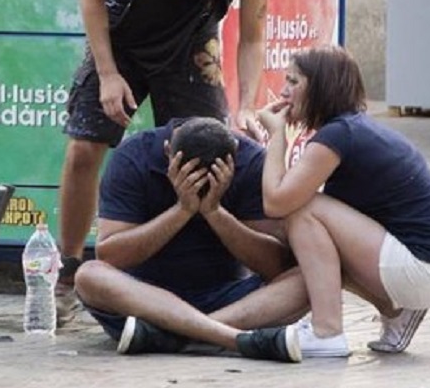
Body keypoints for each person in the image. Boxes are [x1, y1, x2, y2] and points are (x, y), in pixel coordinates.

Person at [57, 0, 273, 324]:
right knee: (84, 149)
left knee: (207, 148)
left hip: (192, 42)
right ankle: (68, 271)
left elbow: (254, 33)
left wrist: (248, 104)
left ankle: (205, 273)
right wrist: (109, 75)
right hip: (124, 33)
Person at [256, 47, 430, 358]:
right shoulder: (350, 129)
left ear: (320, 87)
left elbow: (277, 202)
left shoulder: (339, 135)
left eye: (293, 81)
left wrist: (277, 137)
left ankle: (326, 332)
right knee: (311, 240)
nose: (284, 92)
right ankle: (396, 313)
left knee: (303, 210)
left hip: (424, 268)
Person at [73, 117, 308, 363]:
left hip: (228, 301)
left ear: (233, 156)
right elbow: (110, 255)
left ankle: (176, 337)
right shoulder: (133, 156)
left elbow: (276, 266)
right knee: (89, 275)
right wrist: (182, 210)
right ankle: (231, 338)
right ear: (167, 152)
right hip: (144, 301)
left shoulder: (250, 161)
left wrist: (215, 212)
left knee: (312, 275)